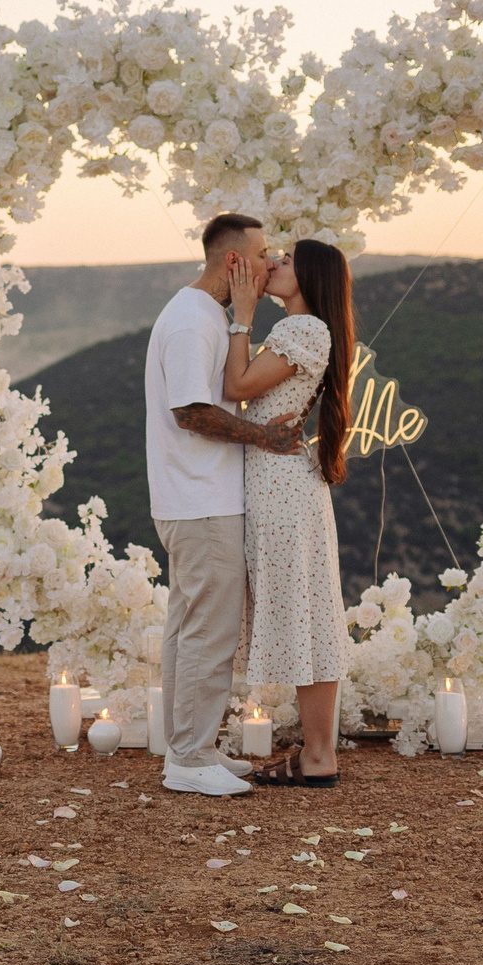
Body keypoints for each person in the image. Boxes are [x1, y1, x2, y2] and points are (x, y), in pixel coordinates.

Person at [146, 214, 304, 798]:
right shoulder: (192, 321)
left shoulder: (207, 315)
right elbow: (190, 412)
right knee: (208, 634)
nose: (272, 263)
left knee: (190, 628)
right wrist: (266, 438)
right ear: (235, 262)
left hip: (193, 499)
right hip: (200, 500)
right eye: (264, 254)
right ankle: (188, 760)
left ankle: (194, 746)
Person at [225, 238, 355, 786]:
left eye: (287, 260)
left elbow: (236, 386)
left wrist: (242, 317)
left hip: (281, 488)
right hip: (286, 484)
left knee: (305, 609)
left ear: (312, 277)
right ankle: (318, 753)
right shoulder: (307, 330)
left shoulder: (301, 329)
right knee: (311, 609)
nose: (273, 264)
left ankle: (320, 755)